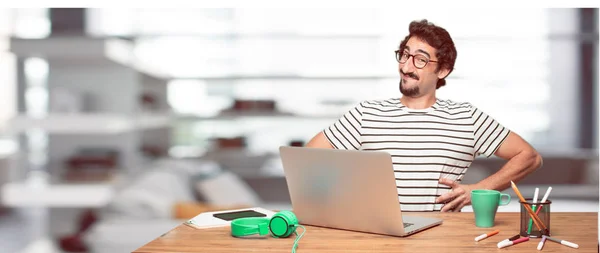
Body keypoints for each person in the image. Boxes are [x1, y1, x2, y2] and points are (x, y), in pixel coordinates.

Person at [305, 19, 543, 212]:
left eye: (420, 59)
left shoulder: (466, 117)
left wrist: (478, 190)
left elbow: (529, 157)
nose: (406, 67)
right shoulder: (366, 113)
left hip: (441, 239)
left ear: (442, 70)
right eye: (404, 55)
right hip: (376, 237)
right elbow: (309, 158)